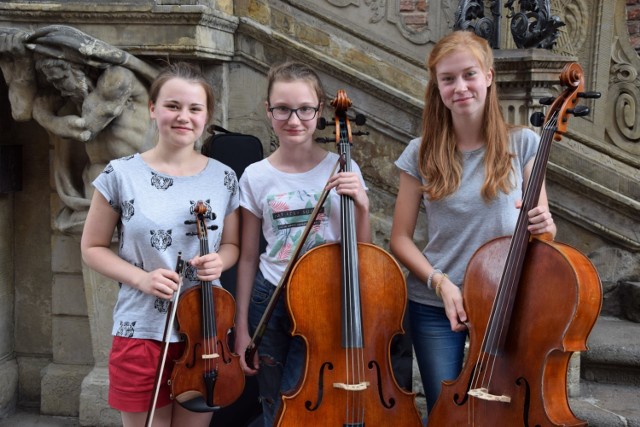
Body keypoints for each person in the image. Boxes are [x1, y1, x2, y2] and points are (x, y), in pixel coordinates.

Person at [389, 30, 557, 421]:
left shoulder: (526, 144)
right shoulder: (420, 153)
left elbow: (543, 235)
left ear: (489, 77)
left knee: (504, 409)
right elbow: (400, 238)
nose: (459, 86)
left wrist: (546, 226)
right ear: (437, 87)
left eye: (469, 74)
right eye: (448, 79)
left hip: (507, 299)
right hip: (435, 305)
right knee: (446, 410)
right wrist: (441, 282)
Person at [80, 62, 240, 427]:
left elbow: (231, 245)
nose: (183, 116)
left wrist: (220, 262)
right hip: (141, 332)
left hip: (205, 335)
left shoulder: (224, 177)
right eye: (172, 106)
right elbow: (92, 247)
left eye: (194, 109)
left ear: (206, 116)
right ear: (153, 109)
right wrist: (141, 279)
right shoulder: (120, 174)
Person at [233, 61, 371, 426]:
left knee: (313, 400)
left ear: (320, 110)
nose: (293, 119)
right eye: (282, 108)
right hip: (271, 298)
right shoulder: (255, 176)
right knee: (274, 404)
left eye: (304, 109)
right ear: (268, 110)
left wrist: (364, 207)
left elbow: (364, 251)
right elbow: (248, 258)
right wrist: (243, 327)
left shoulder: (344, 168)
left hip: (327, 300)